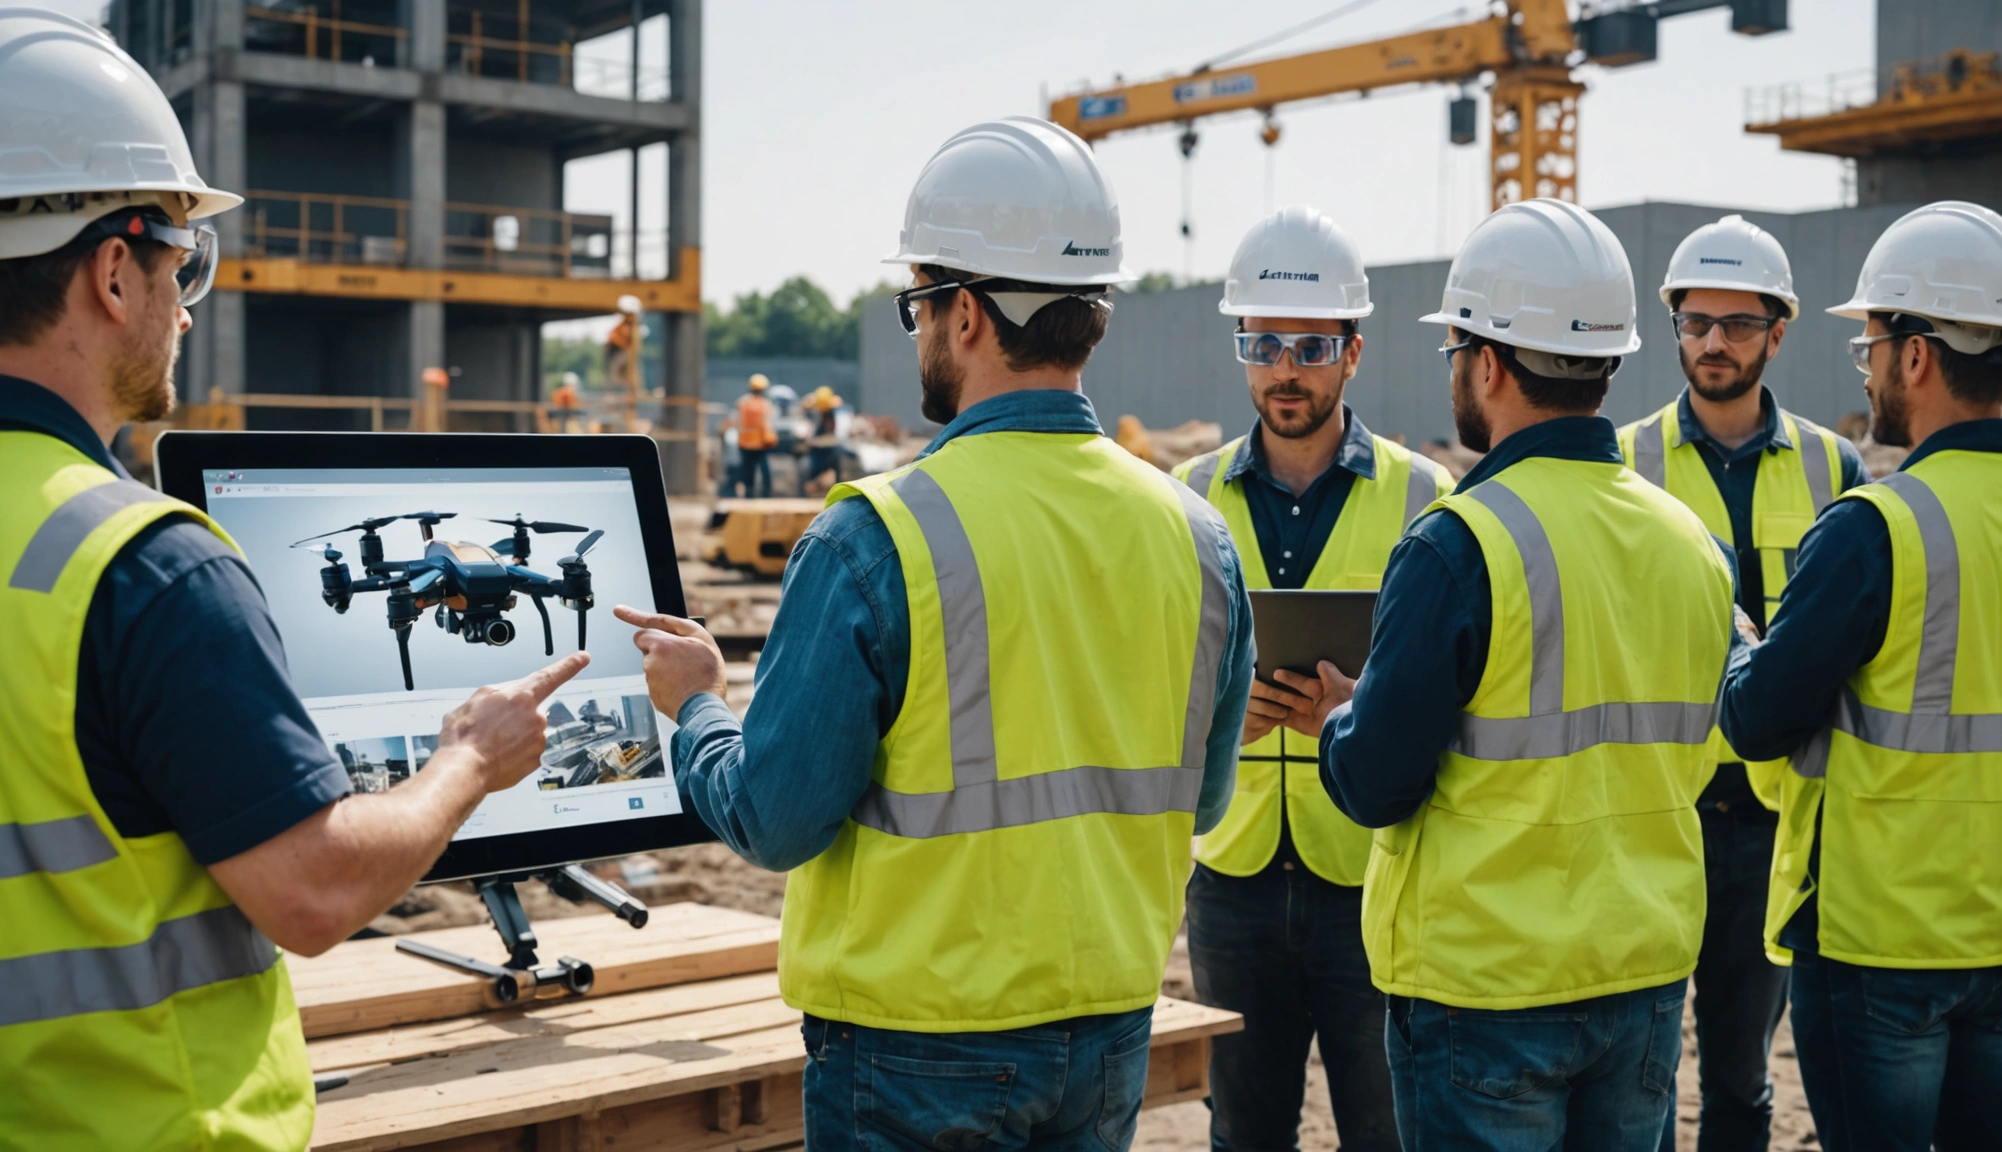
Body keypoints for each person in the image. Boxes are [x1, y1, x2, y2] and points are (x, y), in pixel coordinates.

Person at [0, 13, 591, 1148]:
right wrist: (469, 760)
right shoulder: (141, 567)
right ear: (114, 271)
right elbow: (313, 895)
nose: (185, 308)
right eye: (185, 263)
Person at [612, 116, 1253, 1150]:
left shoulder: (878, 537)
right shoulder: (1201, 536)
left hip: (920, 1049)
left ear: (964, 314)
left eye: (917, 303)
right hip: (1108, 1032)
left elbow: (773, 821)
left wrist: (694, 704)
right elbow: (1206, 794)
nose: (918, 330)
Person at [1307, 198, 1740, 1150]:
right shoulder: (1694, 544)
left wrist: (1342, 715)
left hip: (1484, 986)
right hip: (1642, 975)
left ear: (1488, 361)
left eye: (1456, 348)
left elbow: (1377, 782)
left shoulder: (1460, 542)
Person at [1719, 200, 2002, 1151]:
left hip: (1876, 940)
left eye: (1870, 345)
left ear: (1916, 355)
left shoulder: (1875, 527)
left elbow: (1756, 722)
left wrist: (1739, 641)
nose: (1868, 368)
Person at [1172, 205, 1447, 1152]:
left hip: (1370, 869)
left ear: (1352, 352)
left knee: (1386, 1125)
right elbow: (1150, 678)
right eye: (1263, 342)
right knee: (1243, 1130)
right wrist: (1214, 718)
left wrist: (1354, 714)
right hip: (1234, 875)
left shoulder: (1428, 499)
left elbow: (1464, 690)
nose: (1285, 366)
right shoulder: (1185, 498)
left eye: (1310, 345)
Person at [1612, 214, 1865, 1152]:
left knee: (1743, 1082)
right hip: (1654, 811)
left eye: (1738, 323)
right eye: (1695, 322)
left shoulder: (1832, 466)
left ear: (1779, 332)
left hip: (1771, 824)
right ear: (1673, 324)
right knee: (1637, 1074)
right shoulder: (1627, 463)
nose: (1713, 342)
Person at [730, 373, 778, 497]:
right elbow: (769, 423)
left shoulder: (742, 402)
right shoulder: (766, 404)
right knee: (764, 469)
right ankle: (766, 494)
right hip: (761, 442)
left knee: (748, 469)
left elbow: (736, 421)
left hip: (745, 442)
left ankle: (749, 494)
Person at [803, 384, 844, 488]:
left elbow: (832, 430)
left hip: (827, 447)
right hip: (819, 448)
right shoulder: (816, 413)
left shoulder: (831, 413)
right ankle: (812, 486)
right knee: (815, 469)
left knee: (832, 467)